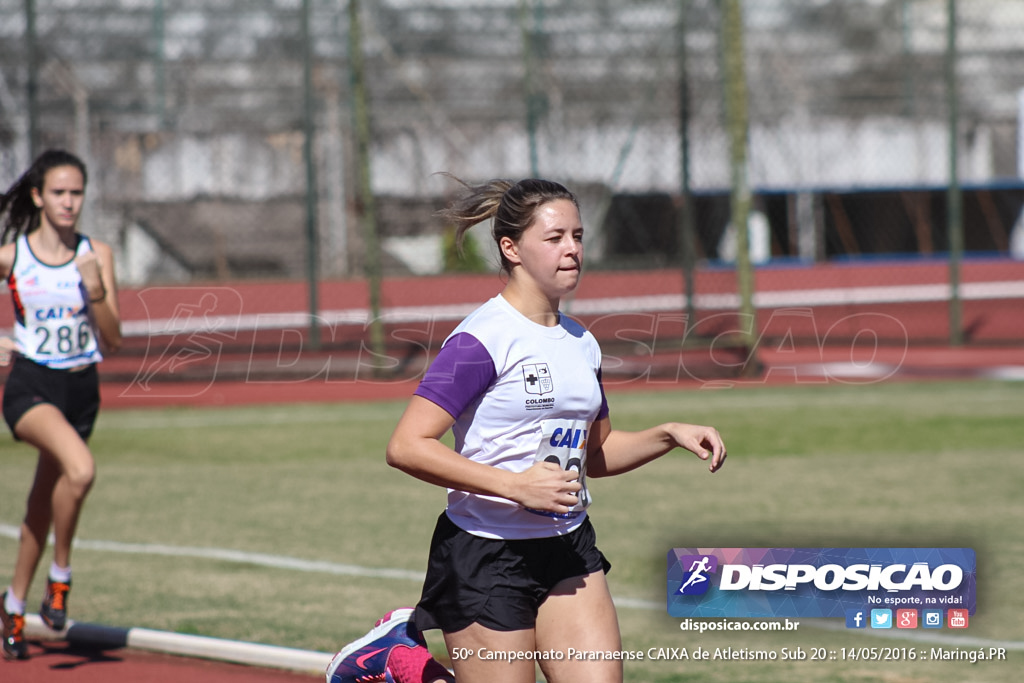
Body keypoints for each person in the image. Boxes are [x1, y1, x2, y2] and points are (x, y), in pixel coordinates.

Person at [326, 175, 726, 683]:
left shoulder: (582, 342)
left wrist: (667, 434)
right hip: (485, 555)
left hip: (567, 548)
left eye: (578, 236)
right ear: (510, 248)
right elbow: (406, 445)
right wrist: (516, 486)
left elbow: (595, 455)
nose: (572, 250)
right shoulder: (479, 339)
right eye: (555, 238)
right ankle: (396, 661)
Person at [0, 149, 122, 660]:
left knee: (41, 504)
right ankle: (61, 577)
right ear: (38, 196)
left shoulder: (97, 253)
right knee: (81, 469)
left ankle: (12, 606)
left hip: (80, 390)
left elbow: (113, 338)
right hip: (31, 387)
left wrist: (95, 290)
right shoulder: (12, 256)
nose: (69, 202)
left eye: (76, 194)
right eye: (59, 193)